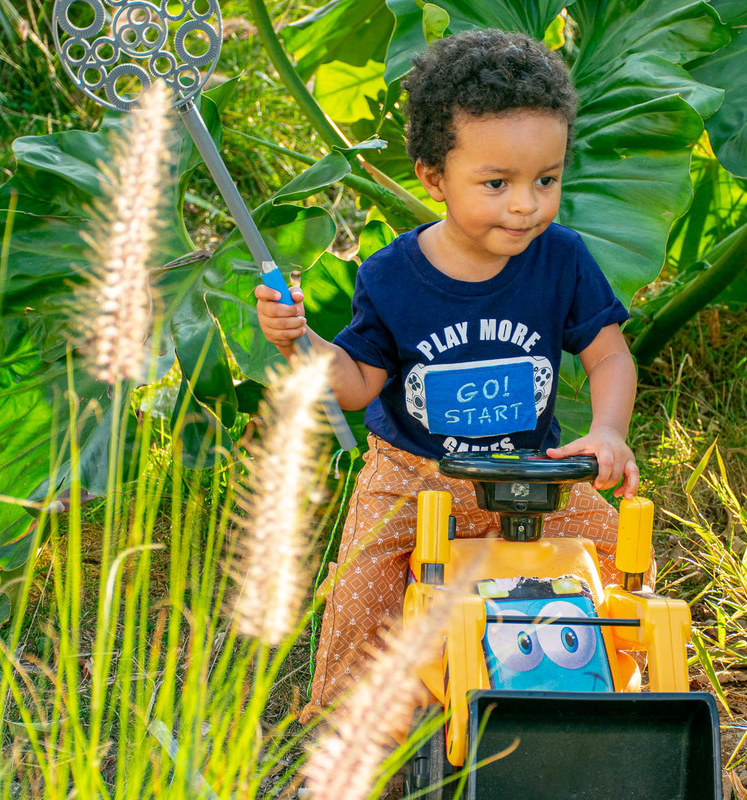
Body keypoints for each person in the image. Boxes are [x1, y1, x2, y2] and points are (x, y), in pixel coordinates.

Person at [254, 28, 651, 720]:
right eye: (497, 183)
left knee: (625, 570)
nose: (526, 204)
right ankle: (354, 743)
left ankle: (627, 706)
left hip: (534, 476)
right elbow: (355, 385)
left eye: (546, 180)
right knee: (362, 592)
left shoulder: (561, 259)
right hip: (414, 477)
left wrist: (609, 431)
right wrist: (304, 344)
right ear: (434, 176)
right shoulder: (391, 276)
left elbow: (609, 354)